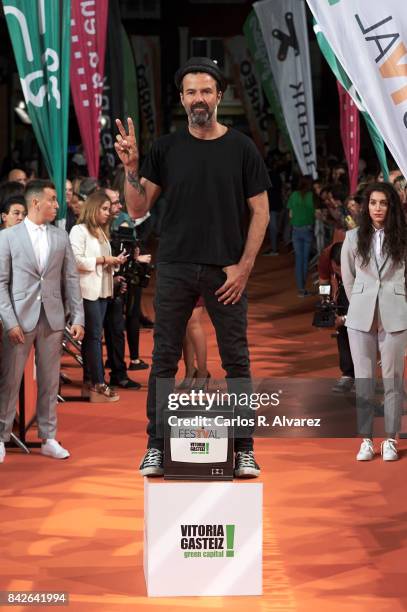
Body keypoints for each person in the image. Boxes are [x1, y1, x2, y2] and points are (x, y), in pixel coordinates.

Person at [115, 57, 270, 478]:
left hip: (226, 271)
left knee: (237, 361)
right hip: (176, 267)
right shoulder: (165, 148)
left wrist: (244, 268)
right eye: (190, 92)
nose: (198, 99)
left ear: (219, 96)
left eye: (205, 91)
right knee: (164, 359)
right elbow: (137, 207)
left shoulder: (241, 148)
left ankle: (243, 450)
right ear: (182, 99)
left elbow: (261, 212)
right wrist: (132, 168)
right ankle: (156, 447)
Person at [0, 179, 84, 463]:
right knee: (10, 380)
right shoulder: (8, 237)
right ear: (35, 202)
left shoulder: (60, 237)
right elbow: (1, 283)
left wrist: (79, 316)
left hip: (53, 319)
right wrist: (9, 321)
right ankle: (1, 437)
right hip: (19, 322)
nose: (57, 205)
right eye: (52, 199)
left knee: (50, 382)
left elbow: (71, 278)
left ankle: (48, 437)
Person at [341, 182, 407, 461]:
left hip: (396, 314)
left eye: (383, 203)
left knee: (393, 380)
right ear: (366, 207)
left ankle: (390, 439)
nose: (377, 208)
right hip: (360, 317)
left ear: (391, 206)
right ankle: (366, 439)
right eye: (373, 203)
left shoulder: (403, 237)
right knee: (365, 380)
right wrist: (360, 302)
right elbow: (348, 278)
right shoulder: (352, 237)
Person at [69, 190, 128, 402]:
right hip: (86, 292)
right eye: (104, 209)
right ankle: (98, 383)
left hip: (103, 290)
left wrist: (114, 266)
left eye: (108, 209)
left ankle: (89, 383)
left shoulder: (101, 232)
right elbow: (75, 261)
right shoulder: (79, 230)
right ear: (93, 208)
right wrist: (104, 259)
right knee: (94, 338)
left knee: (93, 338)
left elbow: (102, 262)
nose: (108, 213)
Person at [103, 188, 141, 389]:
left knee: (117, 329)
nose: (118, 207)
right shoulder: (90, 228)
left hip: (117, 286)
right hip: (95, 287)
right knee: (95, 334)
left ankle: (119, 373)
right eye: (112, 203)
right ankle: (93, 379)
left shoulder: (123, 223)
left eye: (118, 202)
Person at [318, 242, 354, 393]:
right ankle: (348, 375)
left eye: (342, 269)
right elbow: (324, 281)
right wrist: (326, 302)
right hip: (342, 287)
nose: (339, 272)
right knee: (342, 330)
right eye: (336, 268)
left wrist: (346, 318)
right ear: (331, 262)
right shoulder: (325, 256)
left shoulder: (357, 256)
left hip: (359, 284)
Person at [287, 175, 315, 297]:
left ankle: (301, 289)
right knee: (305, 260)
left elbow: (290, 214)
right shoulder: (311, 196)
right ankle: (302, 289)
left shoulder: (294, 195)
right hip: (307, 230)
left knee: (299, 260)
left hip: (296, 230)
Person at [178, 297, 209, 391]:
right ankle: (190, 370)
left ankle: (203, 373)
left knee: (193, 323)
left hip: (196, 284)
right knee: (185, 326)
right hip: (179, 285)